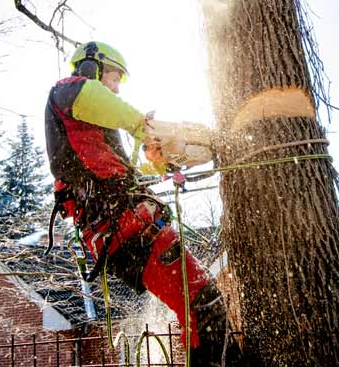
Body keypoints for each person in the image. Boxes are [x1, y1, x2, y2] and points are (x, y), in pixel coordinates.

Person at [44, 41, 241, 366]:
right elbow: (99, 100)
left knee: (201, 303)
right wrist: (143, 127)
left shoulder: (96, 130)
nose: (117, 88)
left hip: (130, 224)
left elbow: (126, 173)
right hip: (124, 228)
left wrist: (163, 164)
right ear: (91, 67)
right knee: (201, 303)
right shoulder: (67, 92)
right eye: (113, 77)